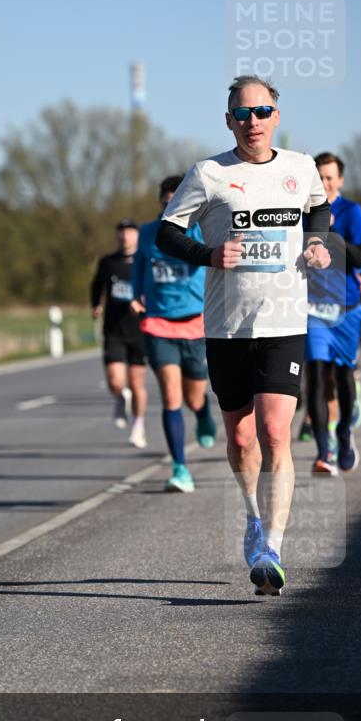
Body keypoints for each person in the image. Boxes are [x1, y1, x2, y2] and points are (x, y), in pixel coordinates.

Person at [156, 75, 331, 595]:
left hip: (284, 321)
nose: (252, 121)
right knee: (240, 436)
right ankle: (253, 517)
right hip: (227, 327)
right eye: (241, 114)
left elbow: (318, 207)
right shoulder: (208, 174)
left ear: (276, 116)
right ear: (228, 121)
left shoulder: (300, 167)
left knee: (276, 433)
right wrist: (209, 254)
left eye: (261, 112)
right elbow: (167, 232)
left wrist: (317, 242)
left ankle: (272, 548)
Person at [131, 176, 217, 493]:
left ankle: (203, 412)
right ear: (160, 202)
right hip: (158, 324)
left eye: (177, 201)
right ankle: (180, 468)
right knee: (171, 395)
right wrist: (135, 295)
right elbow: (139, 266)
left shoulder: (199, 231)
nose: (172, 207)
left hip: (195, 324)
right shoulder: (147, 233)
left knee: (193, 397)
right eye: (167, 201)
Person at [303, 152, 361, 475]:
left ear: (340, 181)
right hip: (312, 307)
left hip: (346, 306)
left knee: (344, 377)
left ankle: (345, 435)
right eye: (319, 177)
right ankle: (324, 452)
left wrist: (333, 236)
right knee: (316, 375)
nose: (324, 183)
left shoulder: (351, 211)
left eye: (329, 178)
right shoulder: (302, 211)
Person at [90, 219, 148, 448]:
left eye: (130, 232)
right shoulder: (108, 262)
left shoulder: (144, 260)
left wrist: (143, 303)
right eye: (121, 233)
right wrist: (96, 304)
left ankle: (138, 426)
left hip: (139, 330)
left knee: (136, 383)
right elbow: (96, 285)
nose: (125, 237)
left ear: (137, 236)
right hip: (114, 330)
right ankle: (120, 397)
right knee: (115, 381)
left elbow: (154, 288)